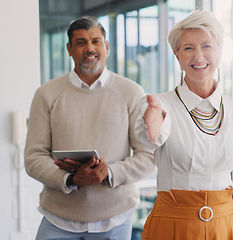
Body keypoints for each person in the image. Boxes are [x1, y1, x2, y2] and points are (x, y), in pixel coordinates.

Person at [134, 10, 233, 240]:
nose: (198, 56)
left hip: (226, 227)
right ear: (177, 55)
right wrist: (152, 119)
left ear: (221, 51)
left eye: (207, 46)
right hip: (172, 225)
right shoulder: (160, 104)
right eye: (188, 48)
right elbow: (149, 135)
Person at [24, 16, 155, 240]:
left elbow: (149, 156)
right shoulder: (46, 95)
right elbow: (34, 157)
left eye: (96, 41)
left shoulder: (131, 92)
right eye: (81, 42)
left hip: (116, 219)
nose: (90, 48)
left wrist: (109, 172)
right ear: (69, 49)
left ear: (107, 46)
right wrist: (71, 180)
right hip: (58, 220)